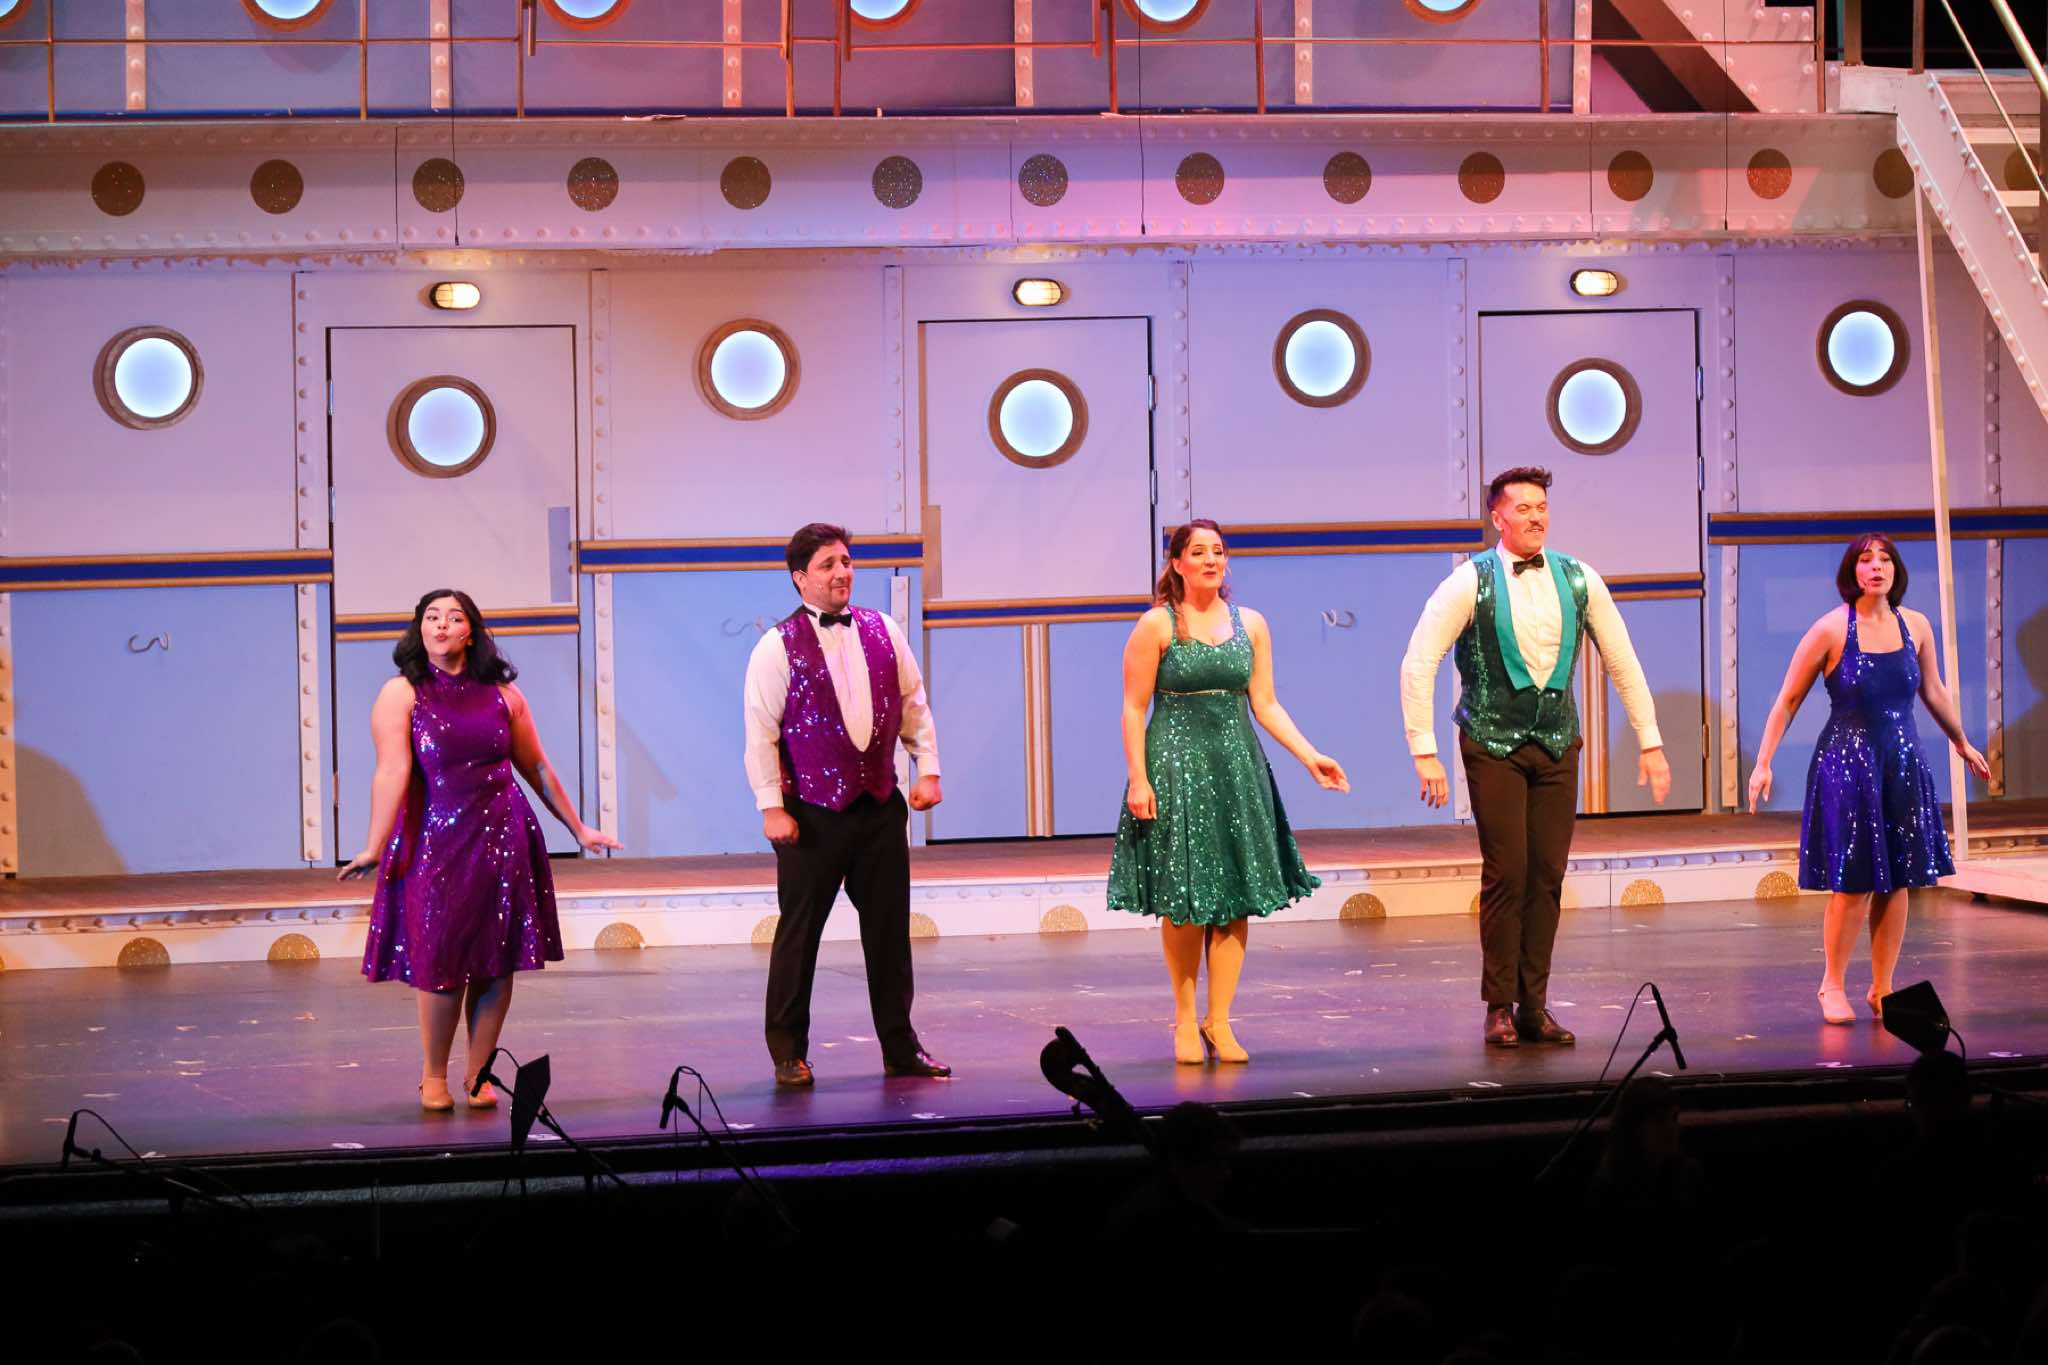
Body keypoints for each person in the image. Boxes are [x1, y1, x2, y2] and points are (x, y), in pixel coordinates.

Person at [1400, 466, 1671, 1048]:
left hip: (1555, 743)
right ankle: (1498, 1005)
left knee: (1547, 875)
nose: (1535, 517)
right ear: (1497, 517)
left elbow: (1622, 659)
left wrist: (1649, 740)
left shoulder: (1579, 578)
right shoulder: (1469, 581)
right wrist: (1425, 750)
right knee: (1508, 871)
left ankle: (1534, 1005)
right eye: (1522, 508)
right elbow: (1419, 661)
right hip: (1492, 742)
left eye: (1541, 506)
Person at [344, 589, 618, 1112]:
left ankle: (479, 1074)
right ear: (419, 629)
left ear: (471, 631)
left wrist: (580, 829)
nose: (441, 625)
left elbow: (536, 768)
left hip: (501, 836)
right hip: (434, 839)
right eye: (431, 617)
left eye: (453, 618)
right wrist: (375, 844)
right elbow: (392, 769)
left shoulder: (504, 696)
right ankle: (432, 1076)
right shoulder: (401, 693)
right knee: (441, 960)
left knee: (496, 962)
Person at [1107, 519, 1348, 1065]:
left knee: (1235, 895)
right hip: (1176, 767)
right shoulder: (1157, 624)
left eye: (1218, 551)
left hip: (1237, 767)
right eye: (1198, 552)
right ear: (1177, 563)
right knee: (1185, 899)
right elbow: (1132, 708)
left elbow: (1266, 703)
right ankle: (1184, 1019)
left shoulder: (1252, 624)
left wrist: (1310, 756)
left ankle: (1219, 1020)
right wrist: (1139, 778)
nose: (1211, 560)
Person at [1747, 533, 1989, 1024]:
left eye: (1884, 559)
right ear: (1852, 572)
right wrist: (1763, 761)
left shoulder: (1916, 625)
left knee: (1898, 880)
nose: (1876, 567)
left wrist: (1961, 741)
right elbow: (1788, 699)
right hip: (1848, 764)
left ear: (1896, 569)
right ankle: (1832, 984)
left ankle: (1883, 988)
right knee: (1853, 882)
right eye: (1865, 559)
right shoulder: (1831, 629)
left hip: (1901, 761)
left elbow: (1934, 691)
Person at [742, 522, 949, 1086]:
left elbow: (913, 703)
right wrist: (771, 807)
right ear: (800, 578)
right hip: (811, 813)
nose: (842, 573)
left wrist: (927, 768)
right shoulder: (776, 646)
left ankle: (900, 1048)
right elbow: (760, 733)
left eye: (847, 562)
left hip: (878, 807)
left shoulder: (884, 629)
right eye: (828, 565)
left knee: (889, 934)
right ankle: (788, 1051)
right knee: (800, 934)